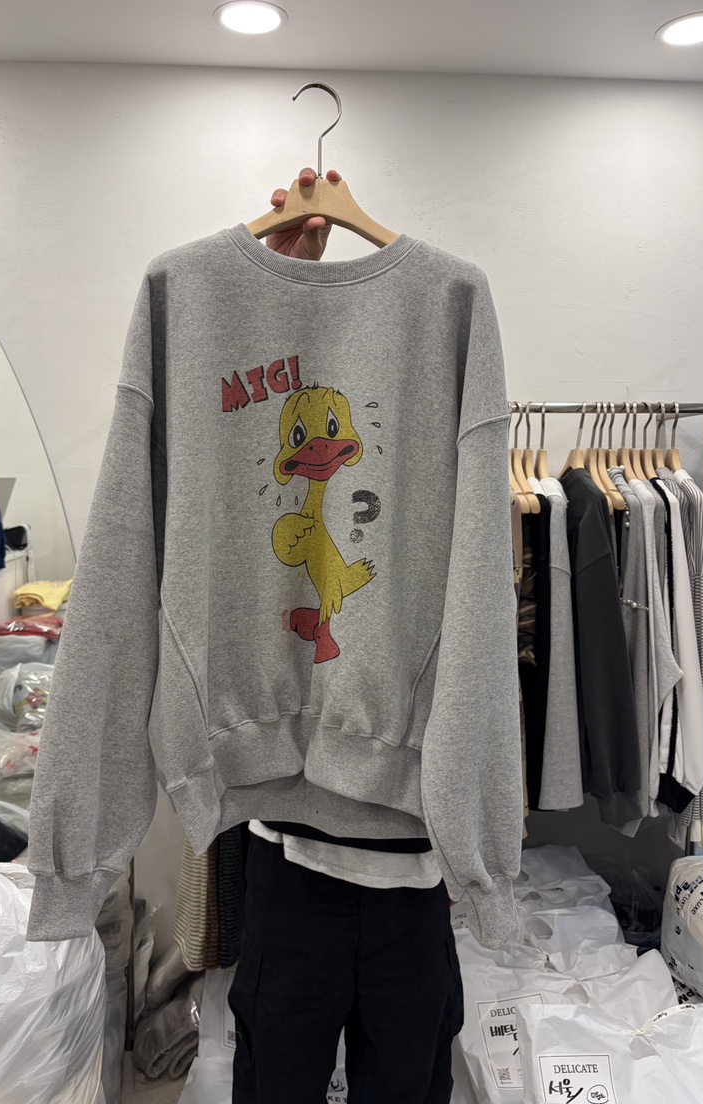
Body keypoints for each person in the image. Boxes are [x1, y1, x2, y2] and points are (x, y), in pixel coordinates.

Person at [227, 167, 464, 1104]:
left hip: (416, 863)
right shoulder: (189, 297)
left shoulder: (452, 306)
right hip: (292, 849)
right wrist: (278, 297)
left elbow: (477, 600)